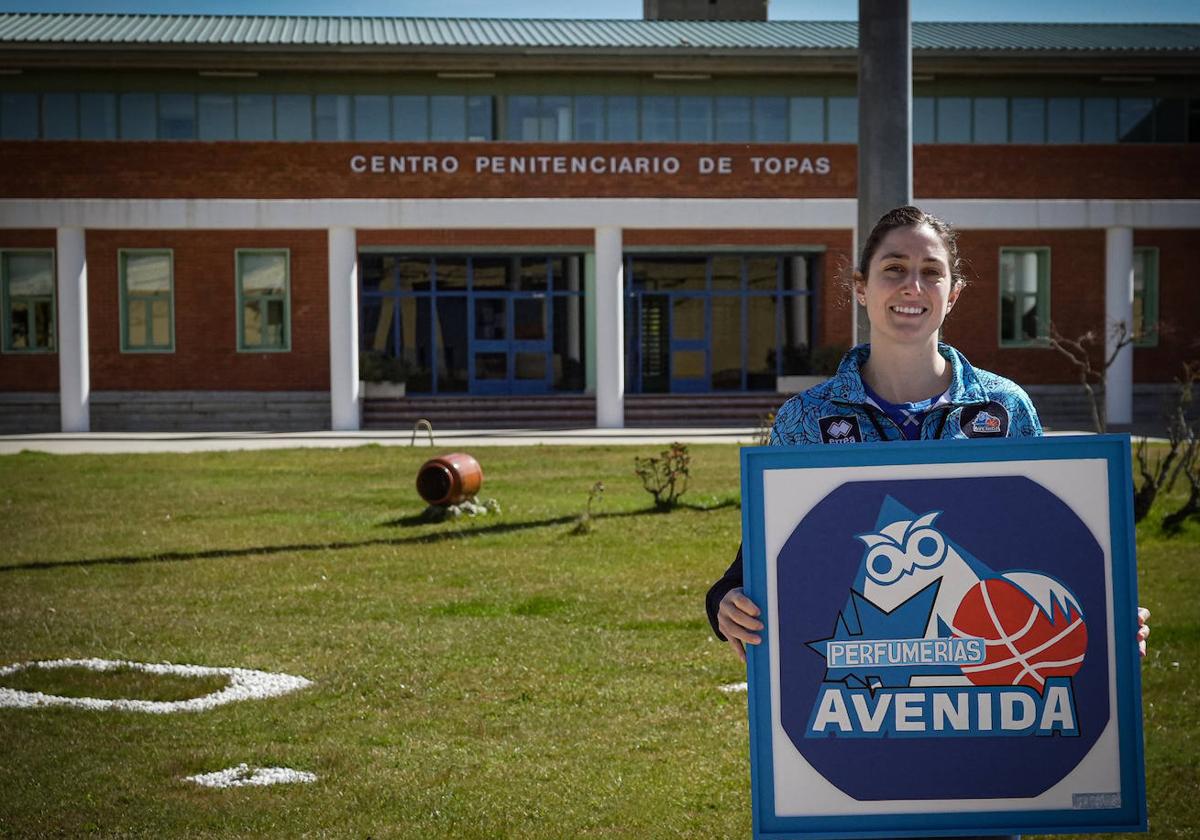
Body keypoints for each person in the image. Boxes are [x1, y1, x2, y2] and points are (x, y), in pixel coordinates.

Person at [704, 205, 1151, 840]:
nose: (912, 287)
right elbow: (765, 562)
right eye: (893, 270)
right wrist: (725, 601)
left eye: (930, 272)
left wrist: (1106, 620)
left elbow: (1044, 546)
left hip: (983, 721)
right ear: (860, 287)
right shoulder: (805, 420)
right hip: (859, 728)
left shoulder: (1004, 410)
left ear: (954, 292)